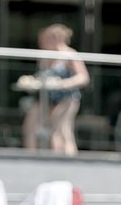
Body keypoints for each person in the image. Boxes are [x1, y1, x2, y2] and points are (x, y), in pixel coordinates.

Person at [20, 24, 89, 156]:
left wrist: (63, 84)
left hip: (67, 99)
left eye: (45, 39)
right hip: (46, 98)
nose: (41, 43)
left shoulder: (70, 55)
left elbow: (83, 77)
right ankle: (30, 157)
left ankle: (64, 161)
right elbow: (43, 76)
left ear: (56, 38)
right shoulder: (44, 56)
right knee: (30, 126)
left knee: (60, 131)